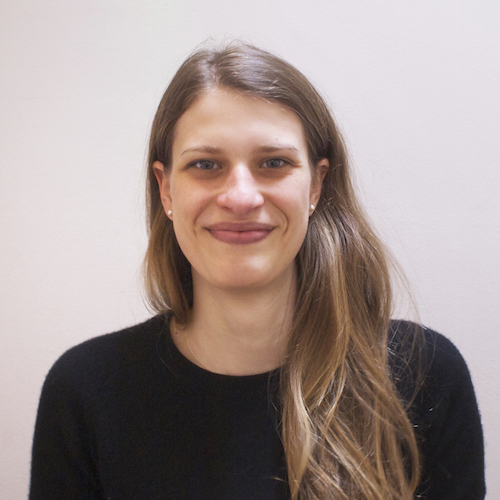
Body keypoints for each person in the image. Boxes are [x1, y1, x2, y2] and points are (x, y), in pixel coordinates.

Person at [29, 42, 485, 500]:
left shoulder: (423, 378)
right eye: (206, 165)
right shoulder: (85, 393)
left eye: (273, 163)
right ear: (166, 190)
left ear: (317, 185)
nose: (241, 197)